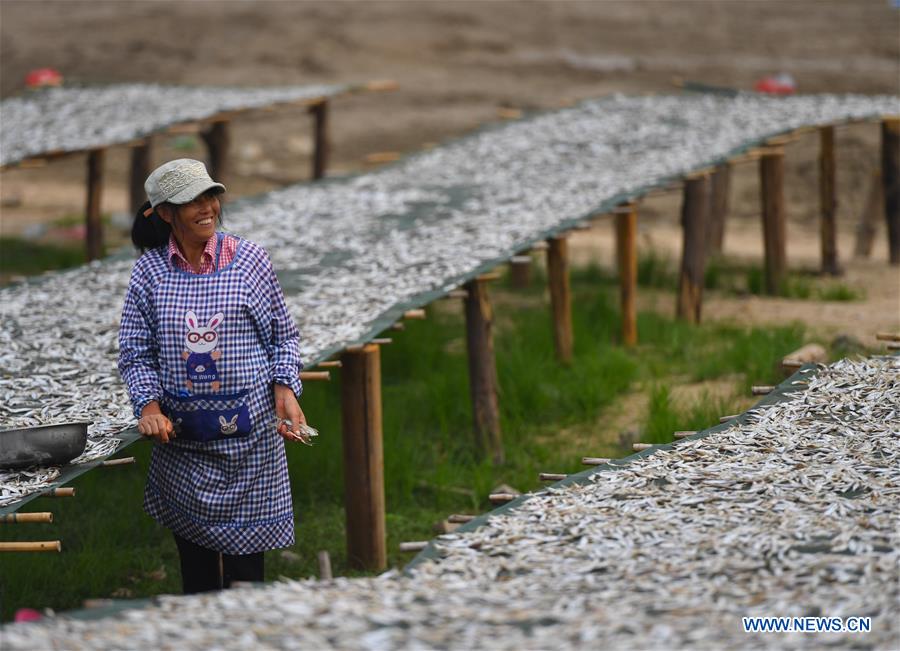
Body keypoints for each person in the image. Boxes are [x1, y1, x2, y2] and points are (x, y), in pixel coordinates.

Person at [118, 158, 306, 594]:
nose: (207, 208)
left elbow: (284, 337)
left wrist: (285, 388)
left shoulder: (249, 261)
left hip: (251, 446)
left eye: (210, 197)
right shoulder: (149, 273)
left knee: (246, 581)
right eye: (191, 202)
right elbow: (135, 352)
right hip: (184, 447)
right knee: (199, 580)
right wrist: (148, 407)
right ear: (165, 213)